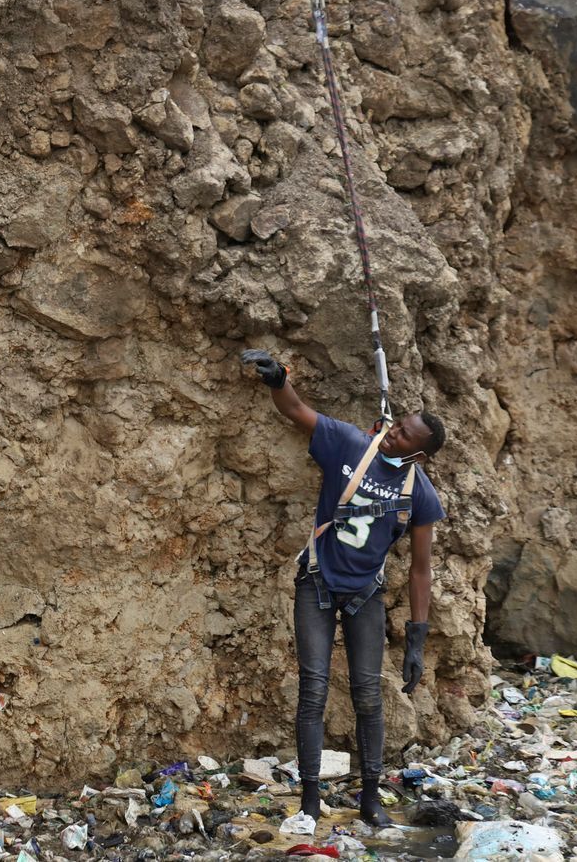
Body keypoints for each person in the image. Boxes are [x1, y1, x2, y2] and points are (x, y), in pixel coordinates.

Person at [240, 348, 447, 827]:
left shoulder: (419, 493)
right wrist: (278, 379)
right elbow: (296, 411)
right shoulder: (351, 444)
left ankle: (370, 798)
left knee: (368, 695)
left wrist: (418, 638)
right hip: (316, 582)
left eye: (402, 437)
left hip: (364, 595)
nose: (391, 434)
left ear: (418, 453)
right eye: (396, 425)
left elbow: (421, 569)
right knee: (313, 690)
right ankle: (310, 801)